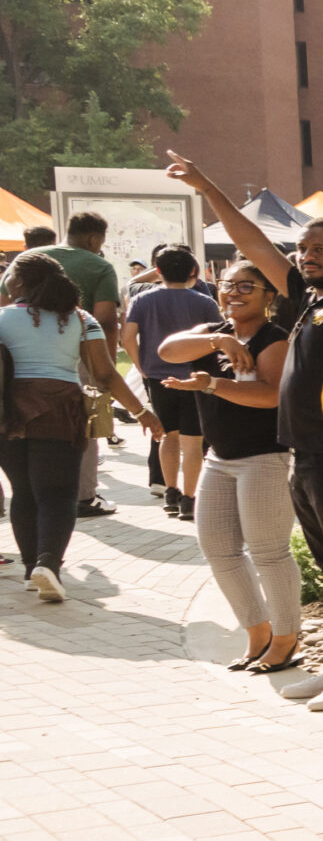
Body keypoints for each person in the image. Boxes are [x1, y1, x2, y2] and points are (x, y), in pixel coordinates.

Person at [166, 153, 323, 712]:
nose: (306, 256)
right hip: (307, 455)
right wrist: (205, 185)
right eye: (303, 249)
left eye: (319, 249)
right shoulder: (311, 300)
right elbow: (254, 245)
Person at [156, 262, 299, 673]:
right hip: (219, 460)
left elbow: (271, 395)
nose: (234, 293)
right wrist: (219, 339)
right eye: (227, 285)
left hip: (265, 458)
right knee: (218, 549)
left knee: (270, 553)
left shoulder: (274, 340)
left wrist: (213, 384)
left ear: (269, 297)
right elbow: (167, 351)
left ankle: (287, 638)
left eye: (246, 287)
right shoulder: (215, 334)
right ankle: (258, 633)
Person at [0, 251, 162, 601]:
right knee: (57, 494)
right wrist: (141, 412)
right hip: (61, 412)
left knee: (23, 492)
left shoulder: (1, 318)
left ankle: (32, 569)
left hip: (8, 415)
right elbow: (104, 374)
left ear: (21, 282)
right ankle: (48, 564)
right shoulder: (79, 319)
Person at [123, 245, 223, 520]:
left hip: (157, 376)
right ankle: (189, 499)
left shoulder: (142, 300)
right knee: (193, 442)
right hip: (195, 377)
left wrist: (140, 366)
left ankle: (170, 492)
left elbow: (128, 336)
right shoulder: (205, 302)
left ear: (157, 271)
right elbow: (219, 340)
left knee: (167, 435)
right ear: (192, 270)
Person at [45, 214, 127, 519]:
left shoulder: (29, 259)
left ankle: (40, 493)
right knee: (86, 423)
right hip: (78, 354)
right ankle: (84, 497)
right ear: (95, 238)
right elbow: (106, 320)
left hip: (25, 358)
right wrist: (103, 370)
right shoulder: (99, 266)